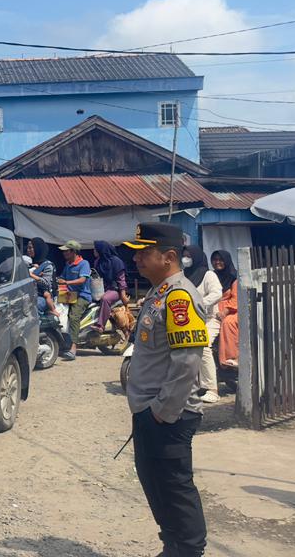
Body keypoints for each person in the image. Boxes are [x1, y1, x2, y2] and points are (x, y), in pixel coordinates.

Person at [122, 222, 209, 557]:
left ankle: (188, 549)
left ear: (169, 256)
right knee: (155, 483)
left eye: (145, 253)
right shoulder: (159, 292)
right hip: (150, 411)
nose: (138, 260)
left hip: (168, 415)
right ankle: (172, 544)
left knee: (174, 487)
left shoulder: (179, 298)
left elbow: (187, 362)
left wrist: (161, 412)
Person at [183, 245, 224, 403]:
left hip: (208, 318)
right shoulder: (183, 275)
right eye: (184, 255)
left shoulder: (208, 275)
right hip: (188, 318)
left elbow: (217, 293)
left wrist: (199, 303)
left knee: (203, 345)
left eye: (189, 256)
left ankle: (212, 389)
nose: (186, 259)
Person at [57, 240, 92, 361]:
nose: (64, 253)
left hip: (82, 295)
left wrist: (66, 282)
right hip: (69, 294)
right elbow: (62, 277)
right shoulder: (68, 264)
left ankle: (73, 348)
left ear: (73, 252)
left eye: (66, 251)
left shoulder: (84, 264)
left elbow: (82, 280)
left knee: (73, 317)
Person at [91, 240, 129, 333]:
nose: (94, 251)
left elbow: (121, 280)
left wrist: (123, 295)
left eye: (95, 249)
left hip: (115, 290)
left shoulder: (116, 262)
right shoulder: (98, 262)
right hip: (102, 289)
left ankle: (100, 326)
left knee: (105, 299)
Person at [212, 250, 239, 372]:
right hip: (213, 311)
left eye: (220, 259)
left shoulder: (234, 278)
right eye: (215, 259)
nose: (217, 262)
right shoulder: (211, 276)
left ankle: (231, 358)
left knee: (228, 323)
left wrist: (225, 311)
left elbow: (236, 299)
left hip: (232, 311)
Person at [25, 238, 56, 318]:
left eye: (31, 248)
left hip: (43, 295)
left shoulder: (47, 265)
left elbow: (45, 283)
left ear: (38, 248)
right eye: (27, 248)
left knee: (34, 307)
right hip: (29, 293)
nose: (28, 250)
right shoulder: (28, 263)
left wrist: (30, 274)